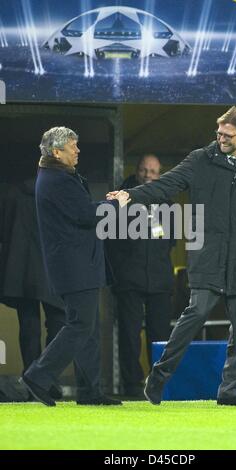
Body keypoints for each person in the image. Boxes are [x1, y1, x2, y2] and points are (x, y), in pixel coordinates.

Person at [107, 106, 236, 406]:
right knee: (194, 317)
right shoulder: (200, 159)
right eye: (218, 133)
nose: (221, 139)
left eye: (227, 135)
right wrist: (132, 195)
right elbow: (165, 186)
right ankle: (158, 377)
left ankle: (229, 391)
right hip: (209, 258)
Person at [21, 126, 128, 407]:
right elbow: (85, 215)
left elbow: (80, 210)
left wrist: (105, 203)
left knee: (88, 329)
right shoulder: (57, 180)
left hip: (78, 265)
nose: (78, 151)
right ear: (57, 152)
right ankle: (38, 375)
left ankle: (89, 391)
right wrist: (116, 205)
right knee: (80, 325)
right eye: (72, 147)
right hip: (75, 266)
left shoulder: (55, 177)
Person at [108, 154, 174, 398]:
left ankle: (157, 385)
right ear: (136, 171)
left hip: (159, 282)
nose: (148, 175)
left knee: (160, 337)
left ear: (160, 175)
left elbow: (169, 242)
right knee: (129, 335)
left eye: (154, 171)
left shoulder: (166, 202)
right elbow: (110, 242)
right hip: (129, 281)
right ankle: (132, 386)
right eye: (145, 170)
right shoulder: (119, 200)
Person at [0, 179, 65, 401]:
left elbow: (5, 231)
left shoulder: (13, 193)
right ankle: (47, 377)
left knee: (29, 325)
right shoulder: (58, 192)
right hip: (52, 264)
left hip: (22, 267)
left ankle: (32, 378)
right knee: (58, 321)